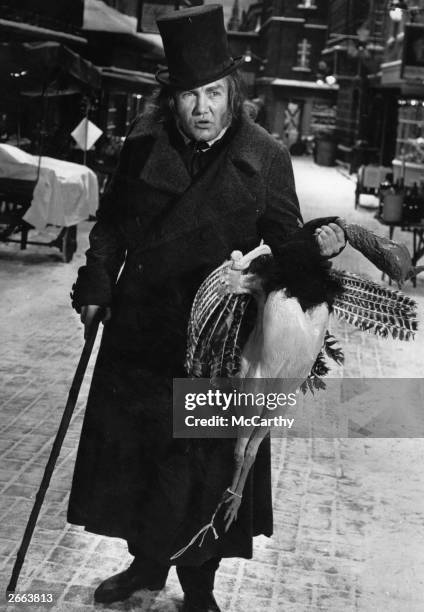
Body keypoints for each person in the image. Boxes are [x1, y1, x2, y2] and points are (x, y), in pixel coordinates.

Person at [67, 5, 345, 612]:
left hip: (220, 348)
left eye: (213, 94)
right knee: (141, 460)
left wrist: (275, 277)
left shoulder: (264, 156)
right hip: (143, 332)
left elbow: (290, 253)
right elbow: (111, 224)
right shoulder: (143, 145)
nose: (201, 108)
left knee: (206, 471)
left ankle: (199, 589)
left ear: (231, 95)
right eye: (190, 95)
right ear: (173, 100)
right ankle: (145, 568)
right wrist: (95, 281)